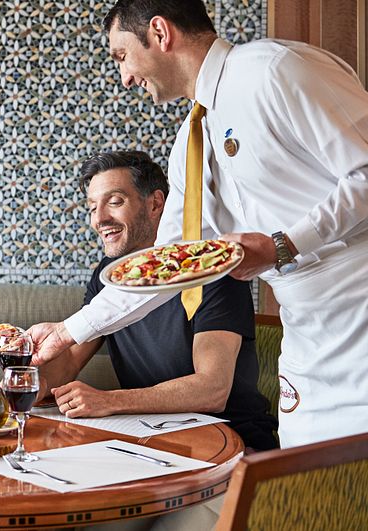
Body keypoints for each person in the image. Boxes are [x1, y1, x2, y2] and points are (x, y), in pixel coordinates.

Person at [30, 0, 368, 449]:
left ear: (160, 32)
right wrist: (65, 332)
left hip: (358, 312)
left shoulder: (275, 71)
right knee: (311, 492)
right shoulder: (192, 138)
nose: (125, 77)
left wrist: (284, 244)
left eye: (122, 56)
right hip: (307, 334)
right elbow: (165, 268)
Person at [39, 151, 277, 455]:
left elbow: (212, 389)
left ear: (155, 204)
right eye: (92, 207)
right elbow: (71, 359)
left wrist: (109, 400)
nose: (99, 219)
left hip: (232, 441)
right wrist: (23, 378)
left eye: (114, 202)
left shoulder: (210, 268)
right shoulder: (107, 276)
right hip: (148, 440)